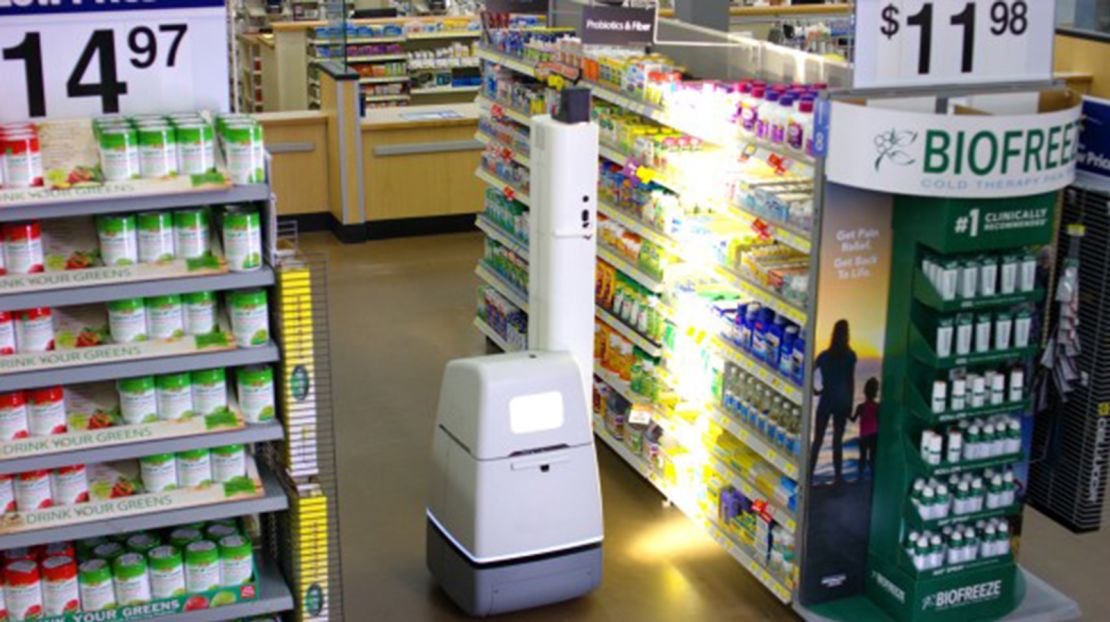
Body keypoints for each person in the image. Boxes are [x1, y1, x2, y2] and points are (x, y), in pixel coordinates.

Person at [809, 319, 857, 484]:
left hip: (826, 399)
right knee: (837, 441)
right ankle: (838, 477)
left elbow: (809, 371)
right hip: (842, 402)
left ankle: (808, 475)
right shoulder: (850, 356)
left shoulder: (824, 356)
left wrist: (814, 390)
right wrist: (850, 404)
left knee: (818, 440)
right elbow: (850, 381)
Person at [852, 377, 880, 479]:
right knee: (872, 457)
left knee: (862, 457)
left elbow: (853, 419)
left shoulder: (861, 407)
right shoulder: (878, 407)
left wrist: (845, 412)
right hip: (874, 434)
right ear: (875, 392)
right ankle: (873, 476)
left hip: (864, 435)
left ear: (865, 392)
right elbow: (880, 421)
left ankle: (860, 476)